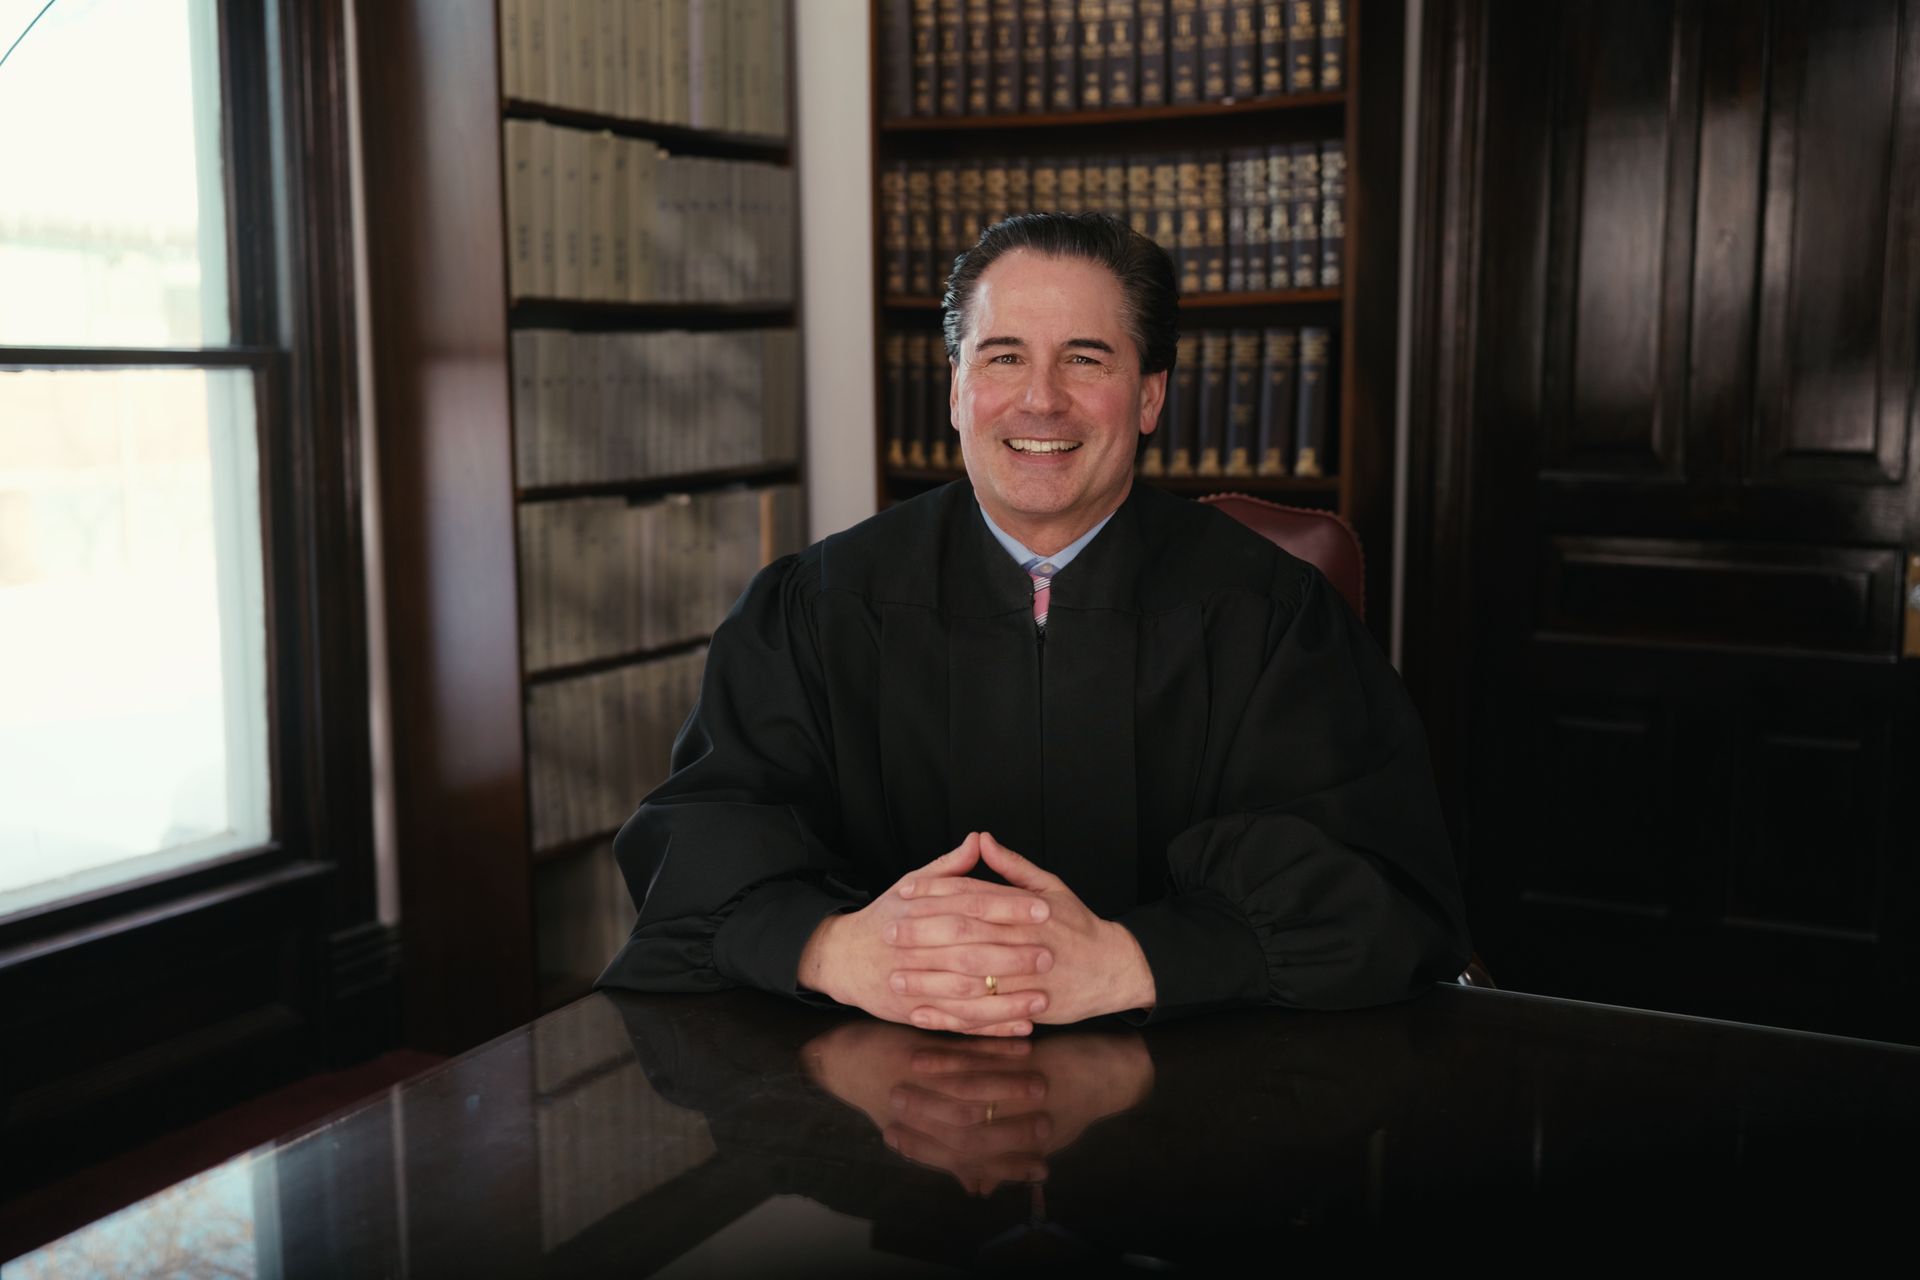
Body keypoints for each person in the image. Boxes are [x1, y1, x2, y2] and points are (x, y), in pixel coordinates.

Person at [596, 213, 1470, 1034]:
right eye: (1002, 357)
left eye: (1086, 359)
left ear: (1150, 395)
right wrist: (838, 949)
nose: (1040, 401)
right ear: (955, 388)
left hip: (1198, 1108)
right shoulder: (819, 606)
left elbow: (1382, 891)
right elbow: (698, 845)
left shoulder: (1269, 617)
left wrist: (1135, 962)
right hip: (884, 1105)